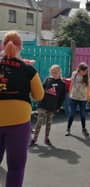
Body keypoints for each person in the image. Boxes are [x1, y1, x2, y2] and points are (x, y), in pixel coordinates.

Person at [0, 31, 44, 187]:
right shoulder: (28, 70)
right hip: (18, 122)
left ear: (3, 45)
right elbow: (39, 95)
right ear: (21, 47)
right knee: (15, 168)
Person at [30, 65, 66, 146]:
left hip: (52, 106)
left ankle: (46, 138)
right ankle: (34, 138)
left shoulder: (62, 83)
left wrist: (58, 107)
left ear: (60, 72)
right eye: (52, 72)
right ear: (50, 72)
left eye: (56, 72)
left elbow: (62, 97)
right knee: (39, 121)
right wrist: (37, 98)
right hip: (43, 104)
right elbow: (41, 90)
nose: (54, 73)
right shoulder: (47, 80)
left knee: (49, 123)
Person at [66, 62, 90, 137]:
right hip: (74, 97)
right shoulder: (74, 74)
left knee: (83, 114)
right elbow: (71, 84)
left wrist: (88, 96)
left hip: (83, 98)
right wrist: (70, 93)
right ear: (80, 70)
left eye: (87, 71)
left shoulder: (87, 75)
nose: (86, 72)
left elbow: (89, 86)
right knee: (72, 113)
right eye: (85, 71)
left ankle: (84, 128)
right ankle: (68, 129)